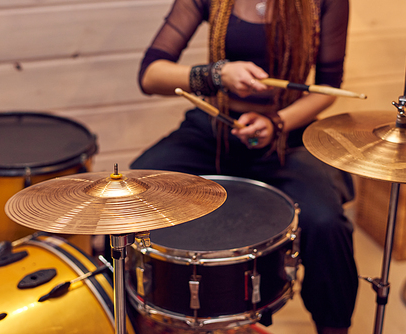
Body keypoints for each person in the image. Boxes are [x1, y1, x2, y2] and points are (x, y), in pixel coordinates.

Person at [130, 0, 358, 333]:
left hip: (286, 135)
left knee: (326, 223)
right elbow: (150, 75)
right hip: (214, 128)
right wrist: (216, 74)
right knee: (131, 191)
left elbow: (328, 88)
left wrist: (277, 123)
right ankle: (145, 313)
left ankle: (333, 327)